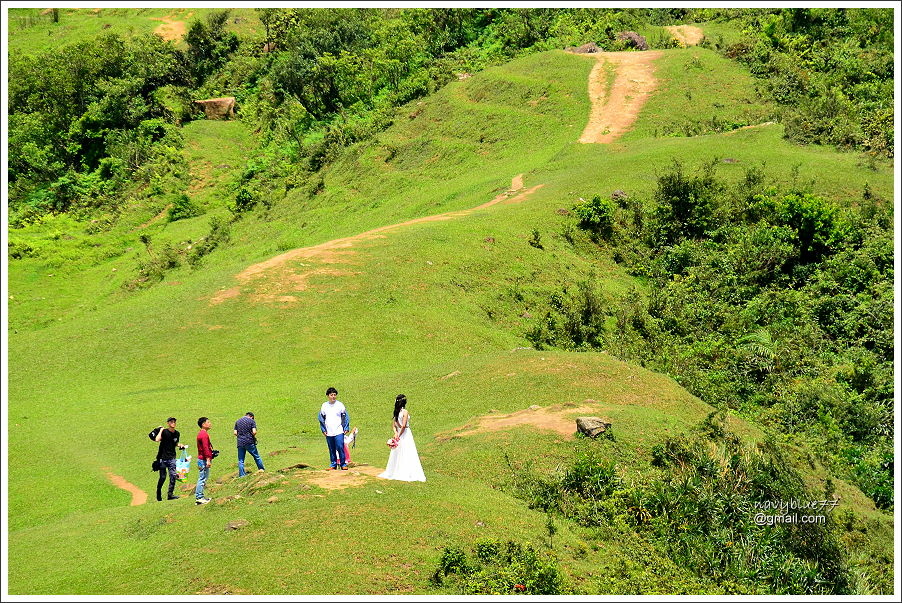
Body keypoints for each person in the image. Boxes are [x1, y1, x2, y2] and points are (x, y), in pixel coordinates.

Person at [379, 394, 426, 482]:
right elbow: (404, 426)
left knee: (399, 451)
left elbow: (394, 425)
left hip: (400, 432)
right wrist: (399, 435)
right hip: (405, 434)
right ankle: (406, 471)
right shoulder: (405, 412)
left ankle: (396, 469)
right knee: (407, 450)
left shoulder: (396, 412)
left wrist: (396, 433)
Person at [155, 417, 187, 501]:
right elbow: (157, 439)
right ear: (168, 423)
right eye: (171, 422)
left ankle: (170, 495)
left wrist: (180, 445)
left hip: (172, 458)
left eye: (174, 422)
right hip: (162, 458)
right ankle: (158, 492)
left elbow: (175, 443)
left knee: (173, 476)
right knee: (162, 477)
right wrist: (161, 430)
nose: (173, 423)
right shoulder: (165, 432)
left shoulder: (177, 433)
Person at [318, 387, 350, 470]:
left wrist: (346, 427)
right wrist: (323, 429)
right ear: (328, 396)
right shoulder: (324, 406)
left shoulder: (340, 405)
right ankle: (333, 464)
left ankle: (343, 464)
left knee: (340, 446)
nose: (333, 397)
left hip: (338, 430)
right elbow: (321, 418)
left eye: (335, 395)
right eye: (331, 395)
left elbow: (345, 416)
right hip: (329, 431)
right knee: (331, 448)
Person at [234, 412, 265, 477]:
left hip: (240, 442)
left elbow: (235, 433)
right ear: (251, 417)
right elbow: (254, 432)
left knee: (241, 460)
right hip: (249, 441)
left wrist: (241, 436)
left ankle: (242, 475)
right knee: (256, 456)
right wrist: (250, 435)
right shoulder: (251, 421)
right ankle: (261, 469)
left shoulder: (238, 421)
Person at [195, 417, 213, 505]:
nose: (210, 423)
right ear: (203, 424)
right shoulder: (204, 434)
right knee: (202, 478)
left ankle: (200, 497)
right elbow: (205, 448)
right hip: (203, 460)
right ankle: (199, 497)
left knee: (202, 478)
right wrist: (208, 460)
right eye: (208, 422)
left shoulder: (201, 433)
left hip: (201, 459)